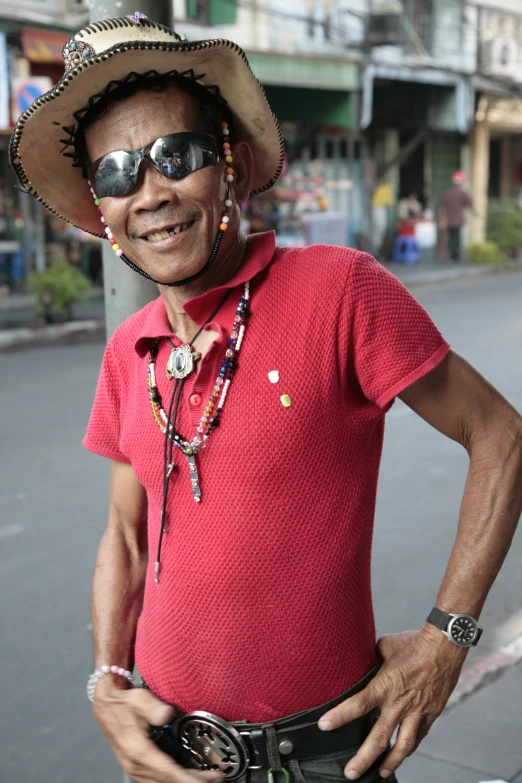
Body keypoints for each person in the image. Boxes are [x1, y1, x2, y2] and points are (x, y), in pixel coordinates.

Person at [10, 18, 522, 783]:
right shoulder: (128, 352)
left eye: (174, 157)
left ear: (232, 167)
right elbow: (123, 533)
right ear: (101, 211)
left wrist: (446, 640)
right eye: (117, 173)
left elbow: (501, 436)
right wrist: (105, 682)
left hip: (321, 757)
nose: (150, 192)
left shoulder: (338, 289)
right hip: (167, 754)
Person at [439, 172, 473, 261]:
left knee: (450, 237)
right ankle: (455, 254)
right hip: (458, 219)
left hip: (448, 219)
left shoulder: (448, 192)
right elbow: (469, 203)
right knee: (456, 237)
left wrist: (443, 218)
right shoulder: (462, 193)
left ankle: (450, 253)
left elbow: (442, 206)